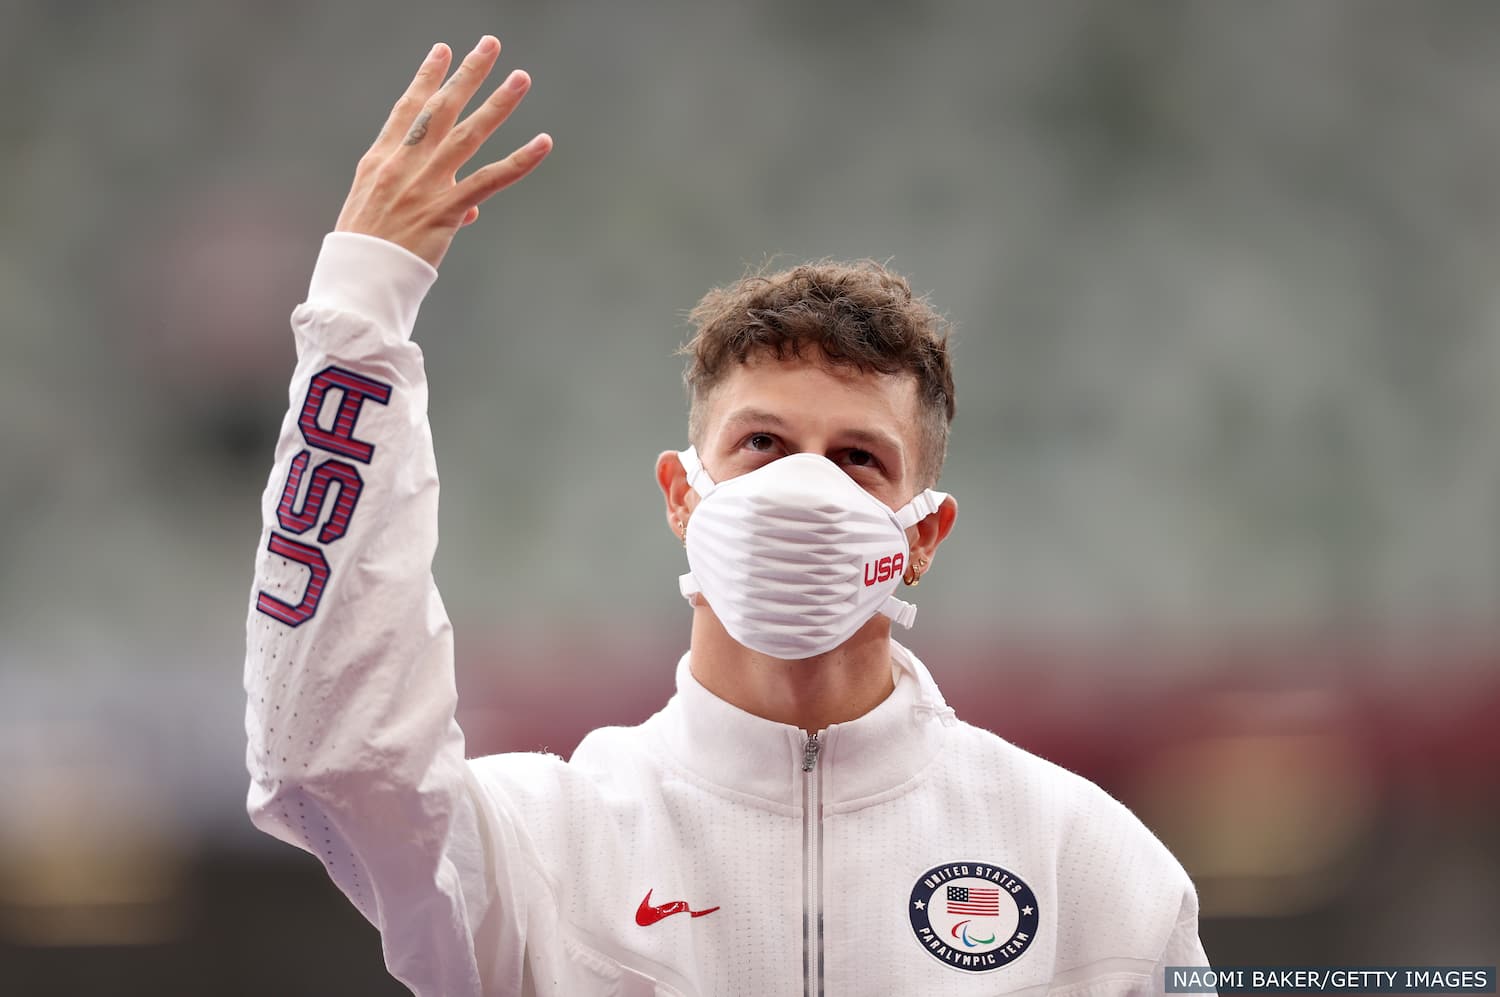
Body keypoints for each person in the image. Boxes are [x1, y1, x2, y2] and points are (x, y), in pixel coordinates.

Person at [244, 34, 1210, 997]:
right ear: (681, 494)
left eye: (858, 459)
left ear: (921, 534)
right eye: (761, 445)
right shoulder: (543, 847)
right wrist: (359, 315)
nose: (806, 488)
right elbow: (324, 756)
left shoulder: (1092, 871)